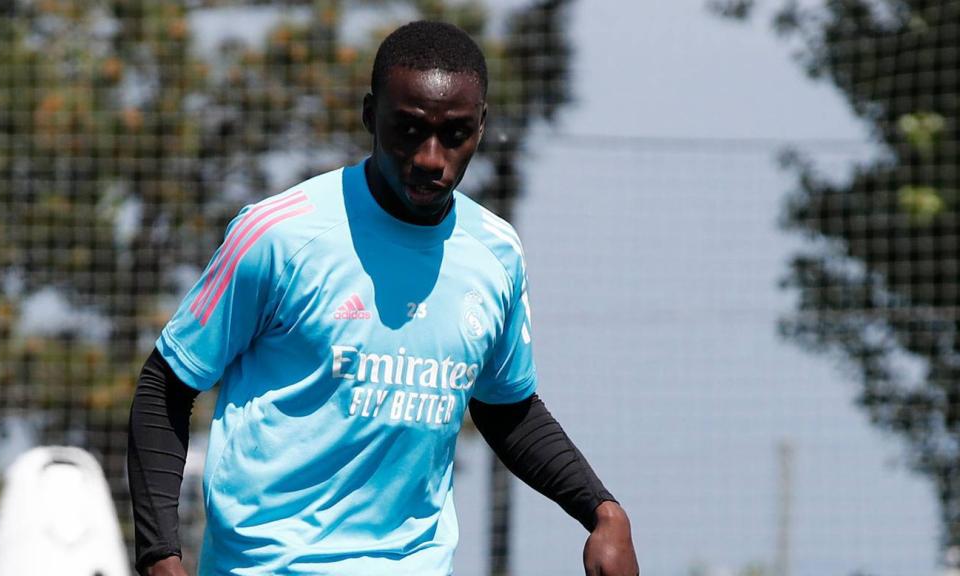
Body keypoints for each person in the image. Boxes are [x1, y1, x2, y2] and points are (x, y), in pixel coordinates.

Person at [127, 20, 638, 576]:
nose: (430, 158)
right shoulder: (279, 235)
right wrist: (161, 556)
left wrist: (603, 511)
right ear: (371, 115)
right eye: (410, 130)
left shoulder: (496, 254)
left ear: (483, 127)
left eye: (456, 134)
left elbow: (507, 408)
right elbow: (166, 385)